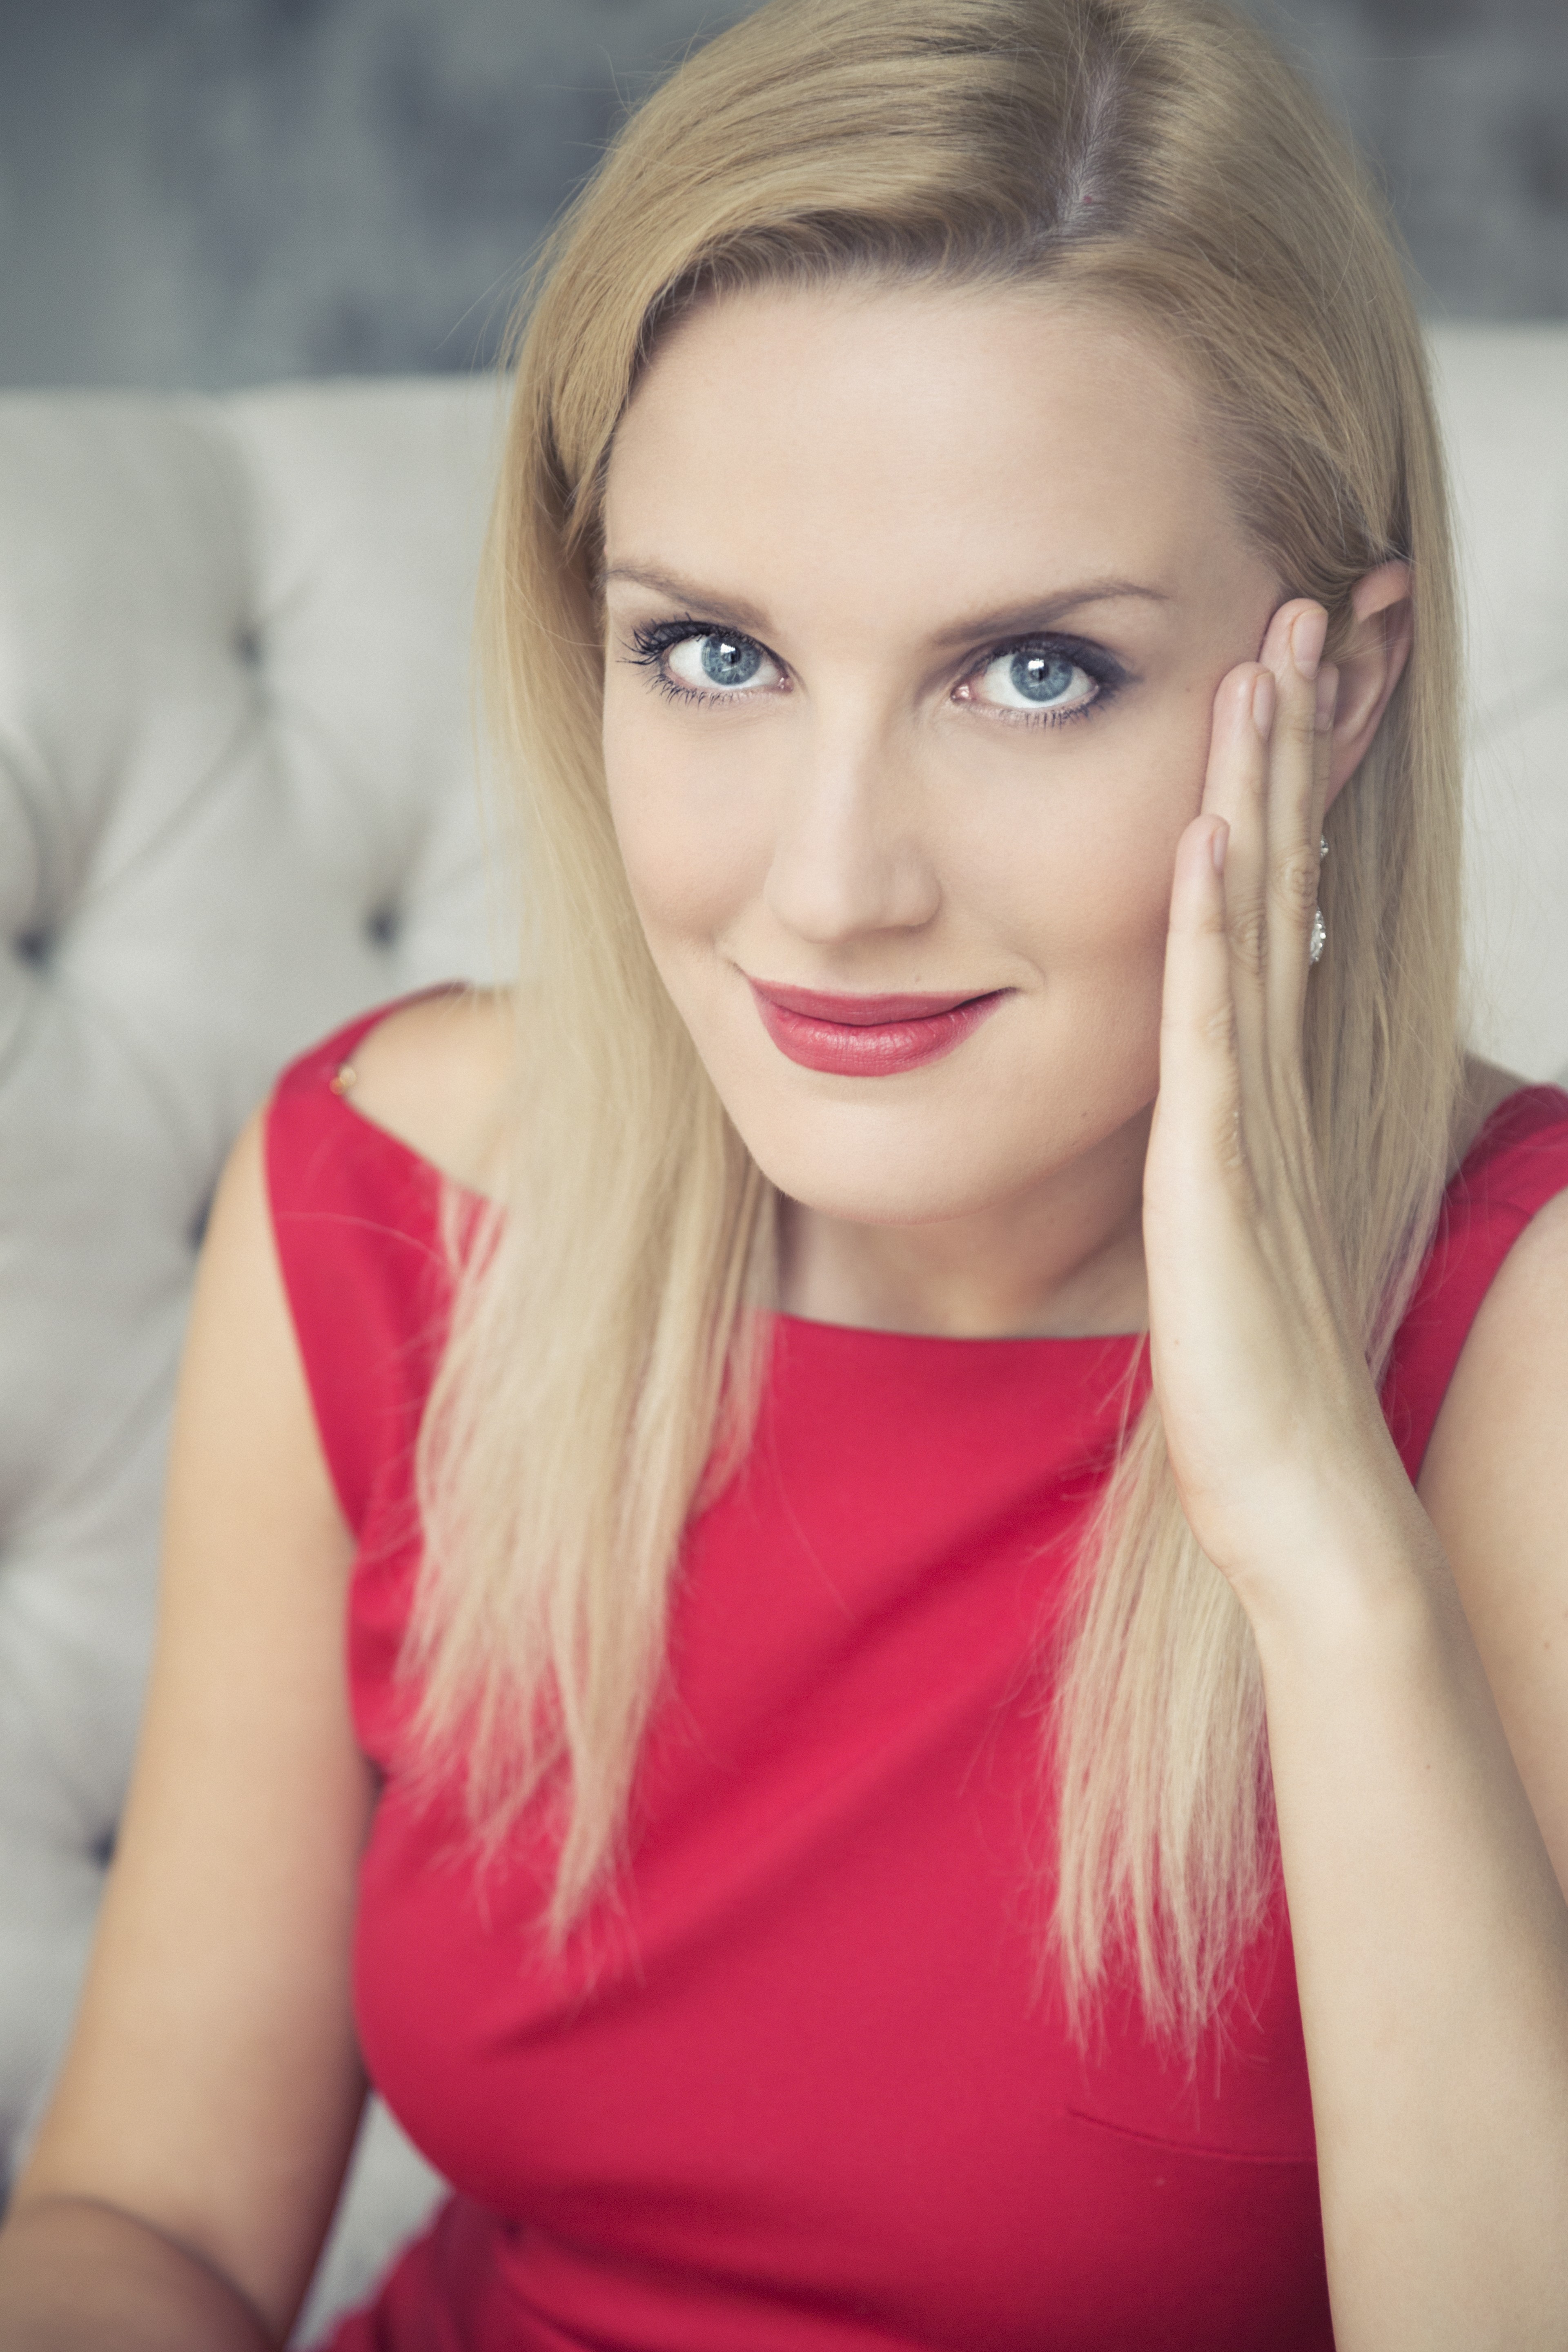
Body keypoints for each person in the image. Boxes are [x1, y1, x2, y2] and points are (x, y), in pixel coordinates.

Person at [4, 0, 1568, 2343]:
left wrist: (1320, 1537)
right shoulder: (393, 1202)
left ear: (1333, 696)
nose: (830, 888)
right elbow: (156, 2228)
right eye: (715, 654)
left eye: (1031, 674)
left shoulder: (1519, 1340)